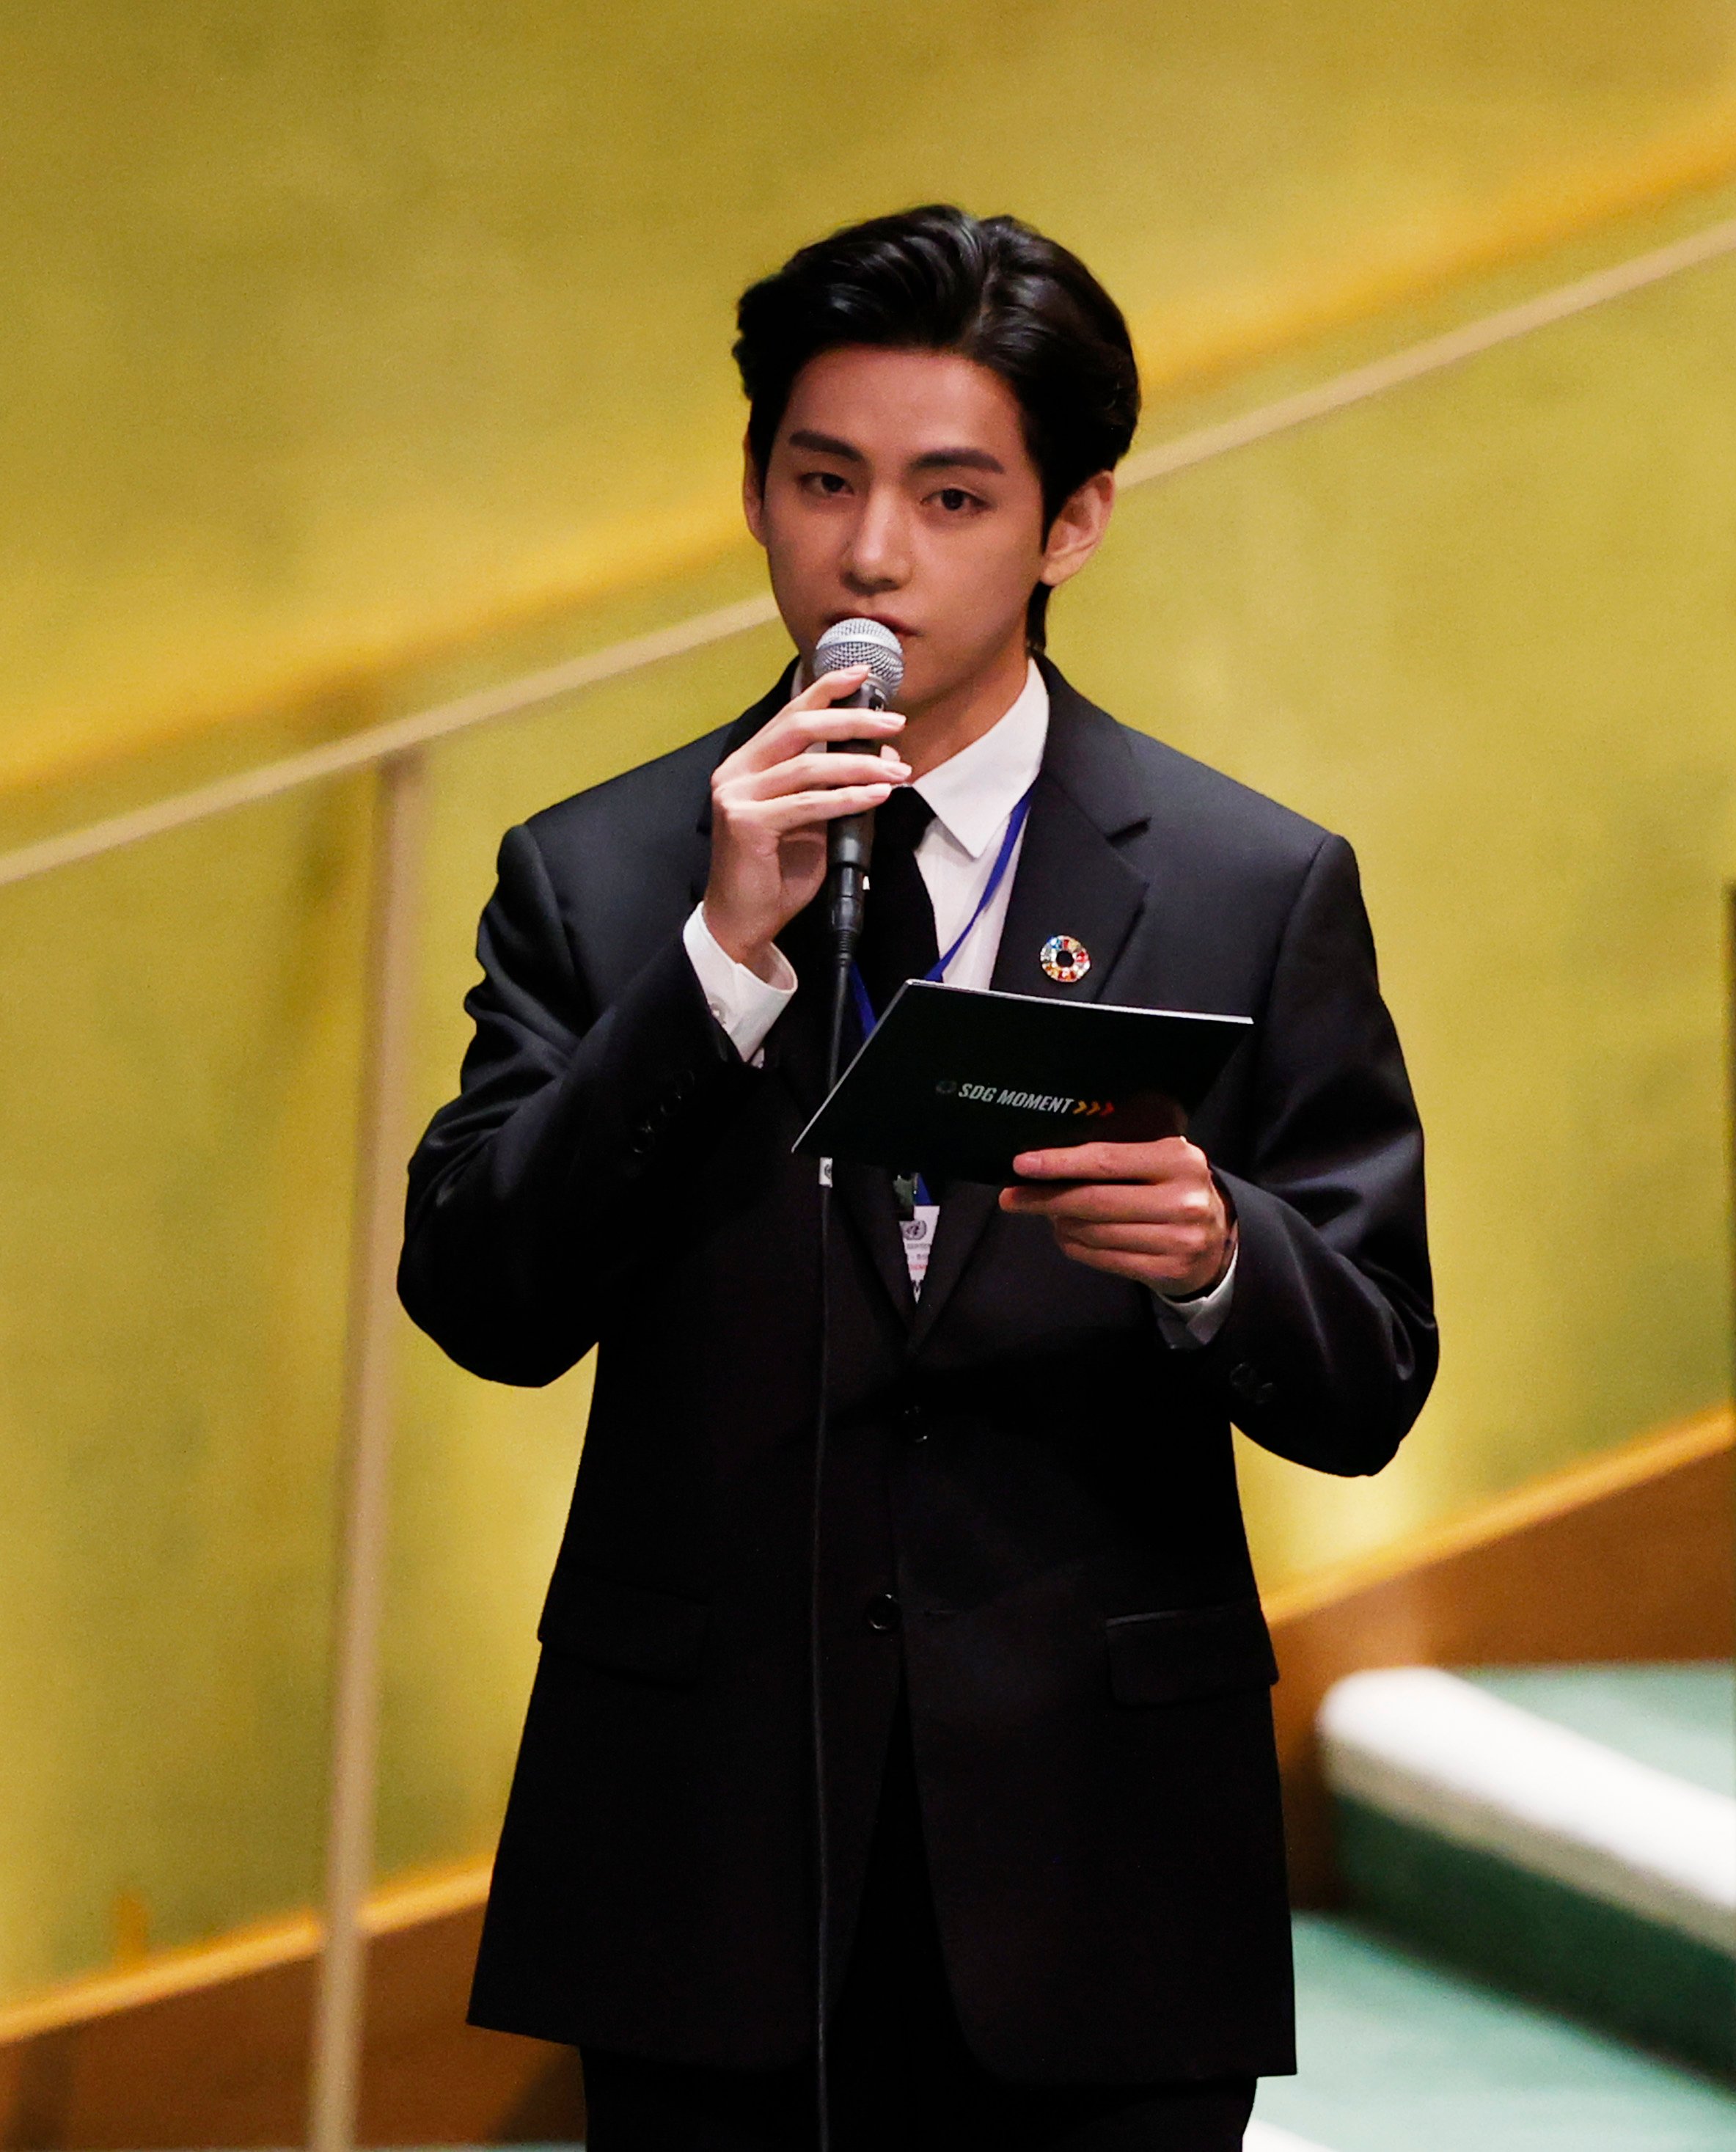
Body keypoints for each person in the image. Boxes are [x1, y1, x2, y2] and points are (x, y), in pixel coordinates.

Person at [399, 205, 1435, 2150]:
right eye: (824, 480)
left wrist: (1220, 1255)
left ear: (1074, 521)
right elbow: (481, 1295)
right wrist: (712, 966)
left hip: (1102, 1863)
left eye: (951, 495)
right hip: (701, 1852)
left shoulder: (1245, 882)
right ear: (756, 490)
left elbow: (1375, 1371)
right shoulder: (602, 871)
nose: (871, 553)